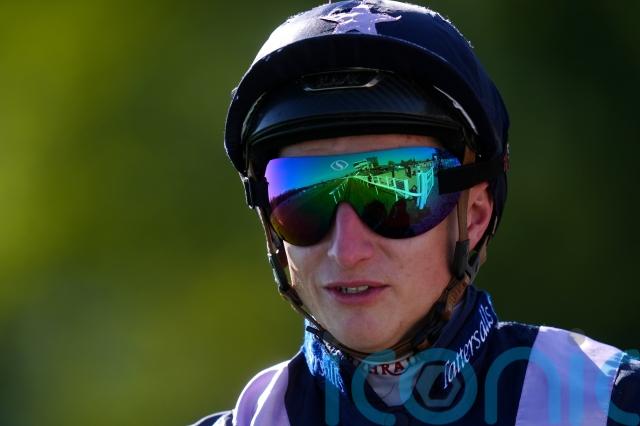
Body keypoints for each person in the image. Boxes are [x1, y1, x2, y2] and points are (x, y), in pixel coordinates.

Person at [194, 1, 640, 424]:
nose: (347, 251)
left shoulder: (615, 405)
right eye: (305, 199)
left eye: (393, 197)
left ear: (475, 215)